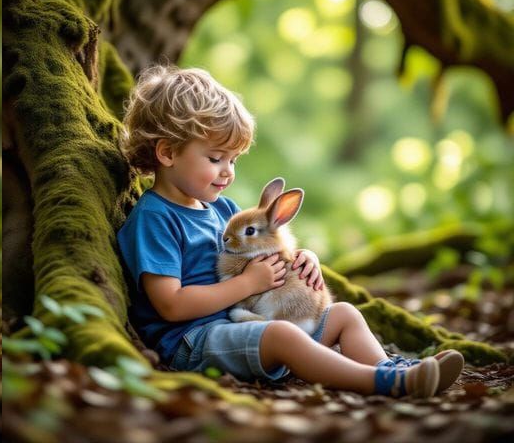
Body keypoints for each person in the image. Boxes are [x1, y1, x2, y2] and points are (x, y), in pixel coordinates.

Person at [116, 65, 464, 397]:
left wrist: (302, 259)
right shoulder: (155, 218)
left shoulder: (223, 210)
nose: (228, 172)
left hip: (249, 323)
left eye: (233, 160)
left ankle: (392, 368)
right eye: (215, 158)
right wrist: (248, 283)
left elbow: (265, 251)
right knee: (282, 335)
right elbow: (171, 306)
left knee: (344, 313)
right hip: (194, 341)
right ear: (167, 152)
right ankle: (379, 382)